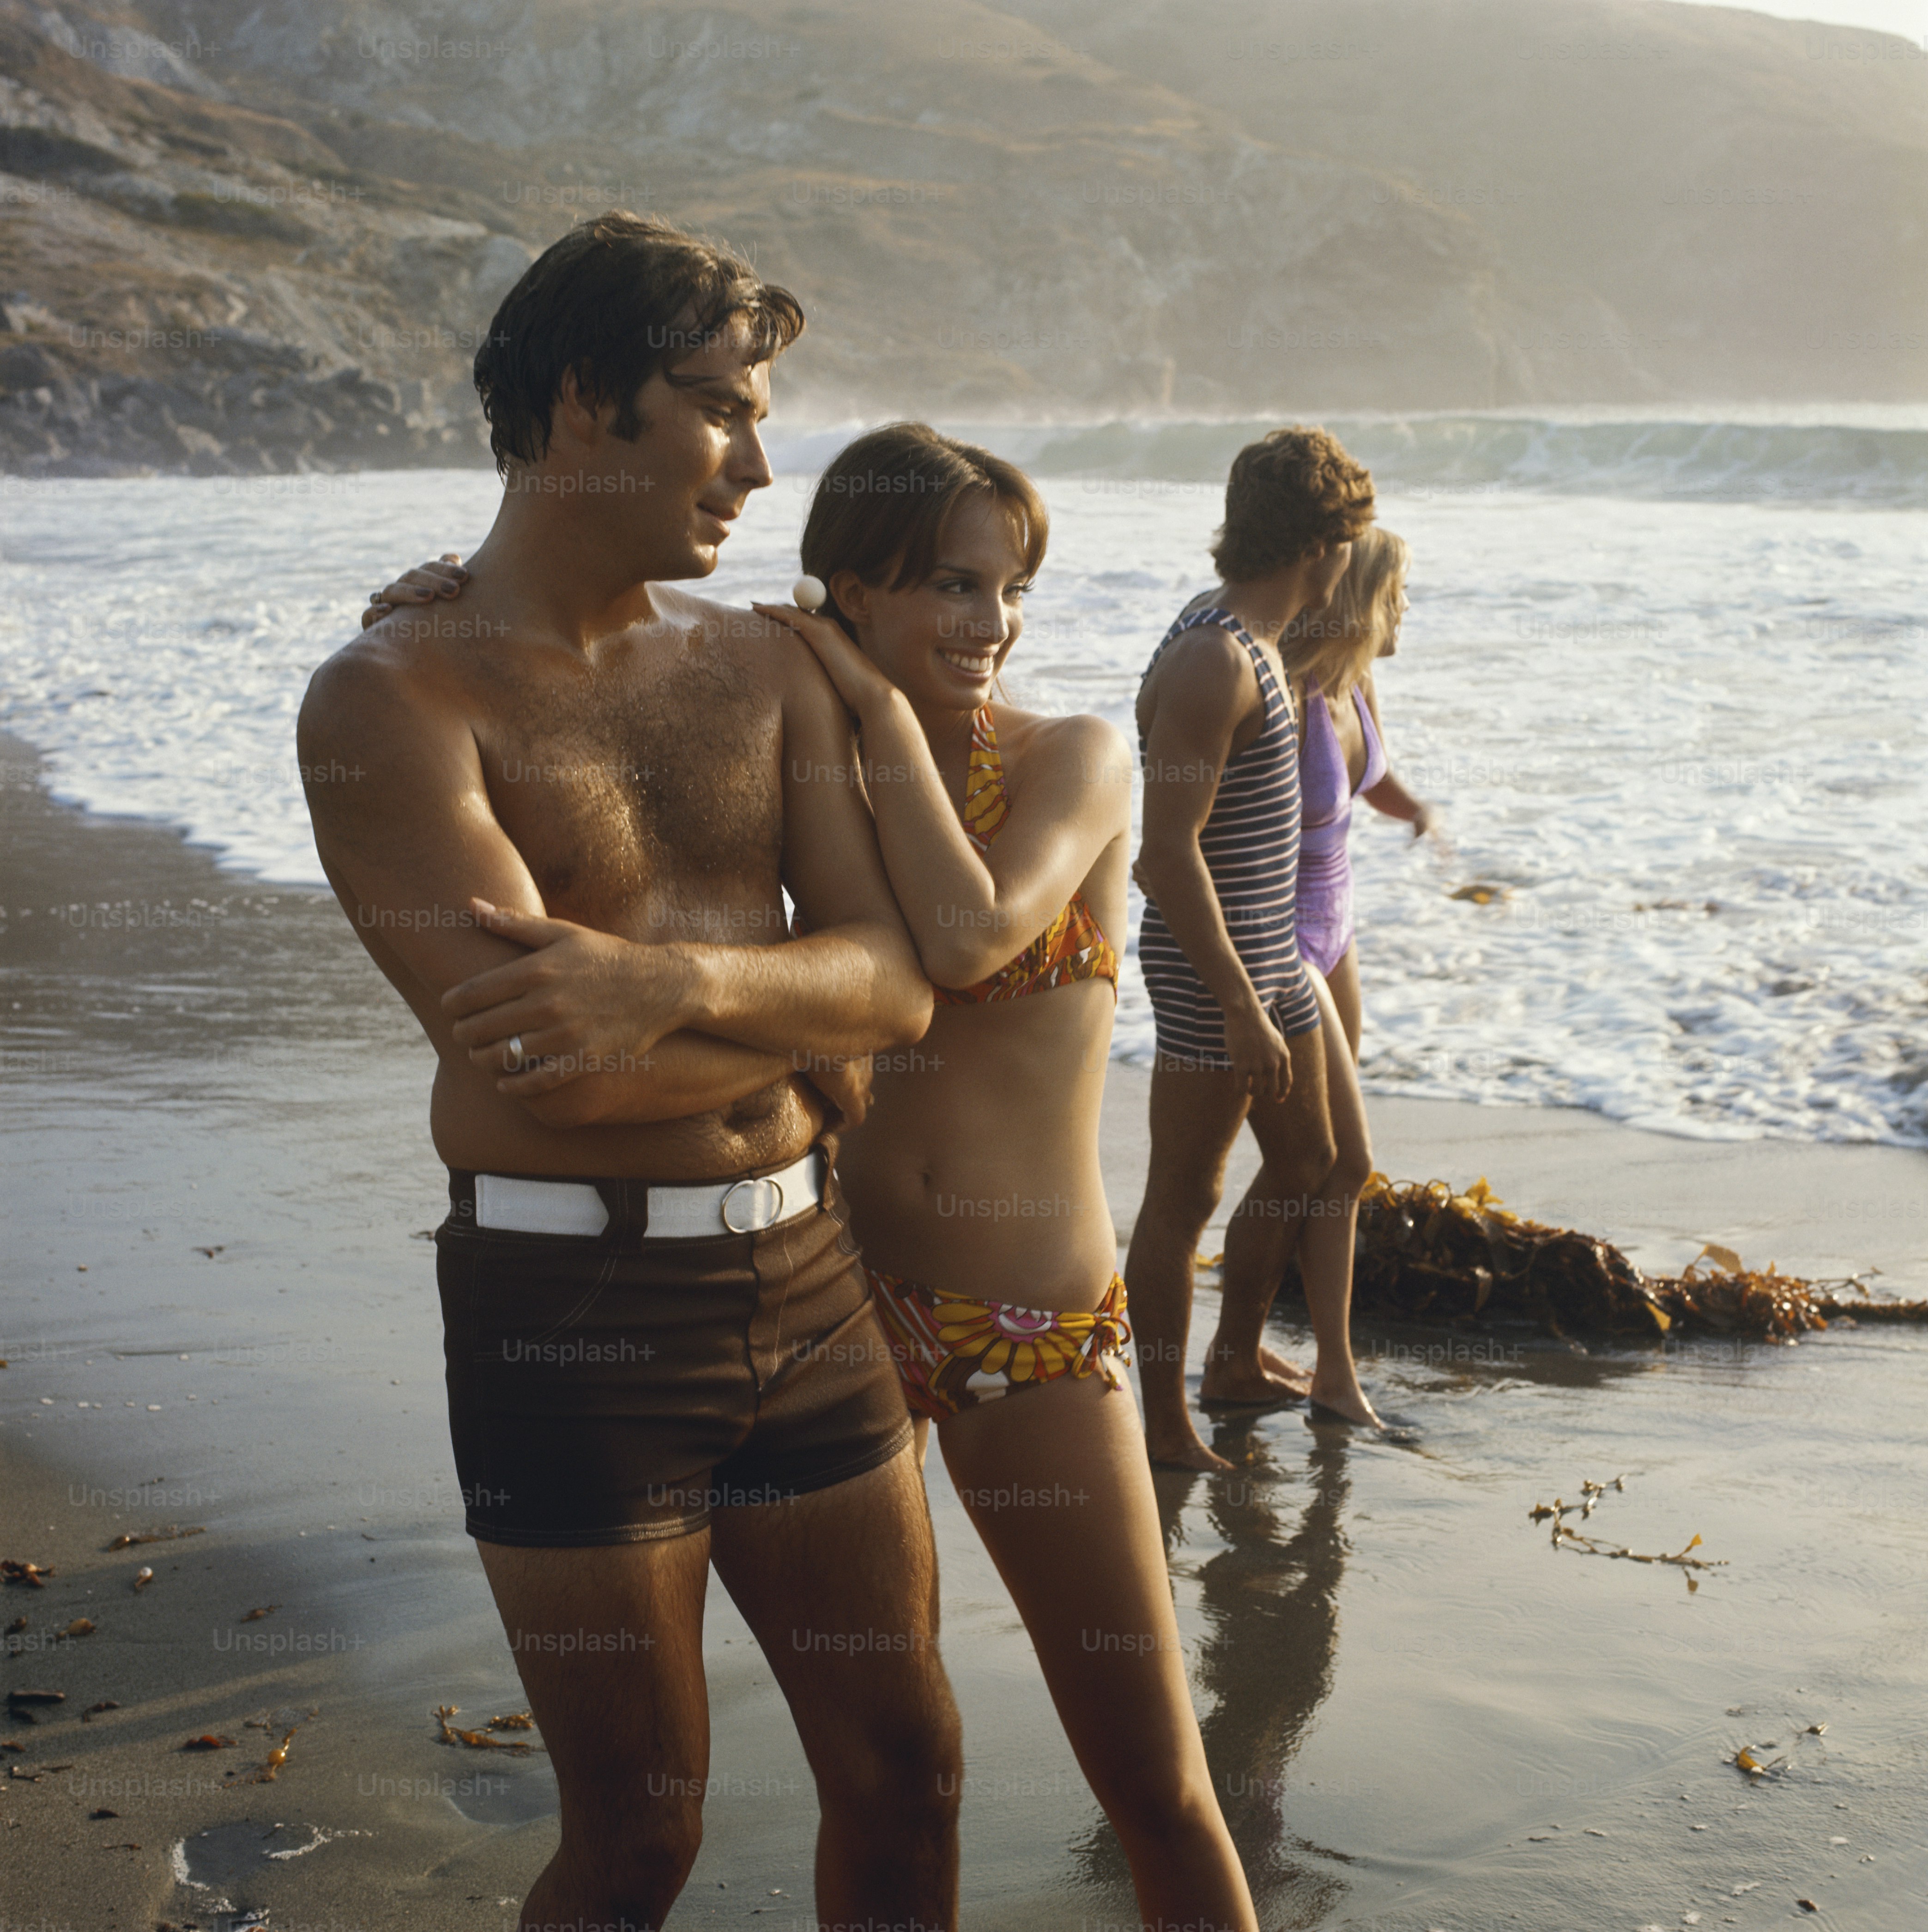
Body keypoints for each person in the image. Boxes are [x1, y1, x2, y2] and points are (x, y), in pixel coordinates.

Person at [376, 422, 1263, 1931]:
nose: (990, 625)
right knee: (888, 1767)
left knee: (1153, 1779)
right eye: (948, 588)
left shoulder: (1076, 758)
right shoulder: (786, 747)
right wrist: (442, 608)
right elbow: (601, 678)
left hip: (1025, 1327)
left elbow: (972, 936)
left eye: (1008, 589)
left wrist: (864, 692)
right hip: (827, 1307)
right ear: (847, 585)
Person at [300, 212, 962, 1932]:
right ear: (590, 399)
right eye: (721, 407)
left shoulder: (760, 665)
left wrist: (664, 979)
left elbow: (900, 986)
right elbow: (552, 1073)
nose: (758, 458)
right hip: (569, 1308)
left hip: (810, 1284)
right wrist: (798, 1014)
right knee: (640, 1833)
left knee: (908, 1781)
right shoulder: (394, 696)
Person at [1126, 428, 1382, 1472]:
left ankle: (1231, 1359)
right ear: (1320, 544)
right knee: (1182, 1194)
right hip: (1208, 974)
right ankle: (1157, 1421)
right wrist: (1235, 998)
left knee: (1313, 1157)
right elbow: (1162, 855)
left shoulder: (1260, 646)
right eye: (1346, 543)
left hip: (1268, 961)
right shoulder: (1211, 656)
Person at [1283, 526, 1437, 1059]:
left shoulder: (1357, 679)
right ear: (1362, 598)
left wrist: (1418, 811)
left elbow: (1373, 782)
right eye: (1397, 593)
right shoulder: (1289, 695)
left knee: (1338, 1096)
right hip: (1282, 934)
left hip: (1336, 920)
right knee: (1322, 1128)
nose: (1407, 607)